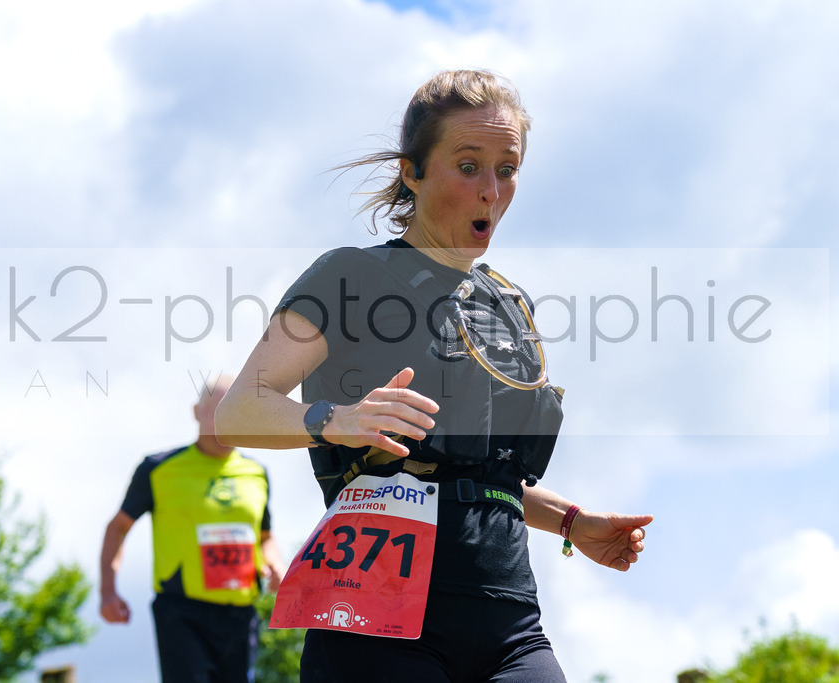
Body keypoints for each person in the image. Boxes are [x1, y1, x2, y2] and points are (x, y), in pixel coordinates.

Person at [214, 69, 653, 682]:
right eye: (468, 165)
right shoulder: (349, 276)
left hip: (509, 618)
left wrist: (574, 524)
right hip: (374, 618)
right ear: (411, 172)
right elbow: (239, 410)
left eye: (508, 168)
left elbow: (470, 470)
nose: (491, 191)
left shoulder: (508, 303)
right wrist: (337, 420)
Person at [99, 374, 286, 683]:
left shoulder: (256, 474)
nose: (221, 423)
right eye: (214, 411)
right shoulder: (158, 469)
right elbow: (117, 528)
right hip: (181, 613)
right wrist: (108, 591)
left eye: (232, 412)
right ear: (196, 411)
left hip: (241, 614)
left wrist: (276, 563)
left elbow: (265, 536)